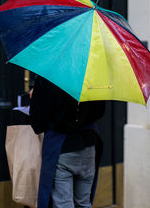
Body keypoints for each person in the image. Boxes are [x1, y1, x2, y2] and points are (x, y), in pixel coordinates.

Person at [29, 75, 105, 208]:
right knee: (83, 203)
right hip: (88, 146)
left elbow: (37, 124)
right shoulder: (94, 74)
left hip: (62, 149)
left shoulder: (50, 76)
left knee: (63, 204)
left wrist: (36, 98)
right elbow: (99, 111)